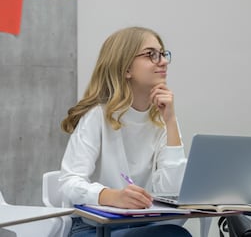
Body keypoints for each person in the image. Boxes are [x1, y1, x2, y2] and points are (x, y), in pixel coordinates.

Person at [59, 26, 191, 237]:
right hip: (93, 228)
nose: (163, 61)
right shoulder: (97, 116)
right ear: (126, 69)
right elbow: (68, 183)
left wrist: (171, 121)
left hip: (144, 225)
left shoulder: (162, 118)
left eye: (163, 54)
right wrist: (110, 196)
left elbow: (172, 191)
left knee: (174, 234)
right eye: (151, 55)